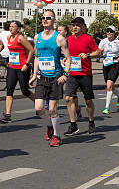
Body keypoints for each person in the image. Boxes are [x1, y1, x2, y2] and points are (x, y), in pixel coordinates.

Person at [29, 9, 71, 147]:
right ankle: (49, 125)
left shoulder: (59, 38)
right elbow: (36, 57)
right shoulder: (37, 37)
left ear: (54, 20)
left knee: (53, 109)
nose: (45, 20)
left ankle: (57, 136)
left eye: (48, 17)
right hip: (42, 78)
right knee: (39, 108)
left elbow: (68, 58)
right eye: (43, 17)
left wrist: (65, 74)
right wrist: (34, 75)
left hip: (55, 78)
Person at [64, 17, 99, 136]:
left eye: (77, 25)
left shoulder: (88, 39)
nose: (75, 27)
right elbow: (67, 53)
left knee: (88, 101)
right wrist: (65, 58)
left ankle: (91, 121)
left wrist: (88, 55)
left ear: (83, 27)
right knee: (68, 98)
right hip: (72, 73)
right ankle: (73, 125)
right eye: (73, 25)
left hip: (85, 74)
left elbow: (98, 52)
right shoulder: (69, 39)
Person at [0, 21, 35, 124]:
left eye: (13, 27)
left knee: (25, 91)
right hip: (12, 67)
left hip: (22, 67)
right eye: (10, 26)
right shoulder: (8, 38)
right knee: (9, 90)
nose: (11, 28)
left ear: (18, 29)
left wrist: (27, 64)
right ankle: (8, 115)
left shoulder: (20, 38)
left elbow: (31, 50)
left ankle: (38, 104)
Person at [98, 25, 119, 114]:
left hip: (115, 64)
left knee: (109, 86)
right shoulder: (103, 41)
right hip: (106, 64)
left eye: (111, 31)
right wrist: (100, 51)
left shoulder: (118, 42)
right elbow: (98, 53)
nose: (109, 33)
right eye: (108, 31)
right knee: (110, 86)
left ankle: (106, 107)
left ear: (114, 33)